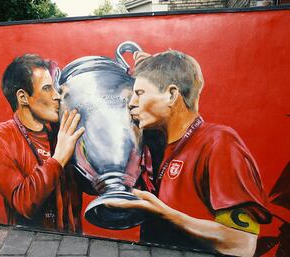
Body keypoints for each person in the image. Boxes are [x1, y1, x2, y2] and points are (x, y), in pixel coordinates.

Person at [107, 50, 272, 257]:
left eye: (139, 93)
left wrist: (165, 214)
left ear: (172, 94)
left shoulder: (219, 142)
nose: (132, 102)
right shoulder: (154, 146)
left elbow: (241, 243)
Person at [0, 54, 84, 232]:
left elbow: (91, 183)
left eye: (55, 88)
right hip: (31, 240)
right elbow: (24, 203)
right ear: (23, 98)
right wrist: (59, 158)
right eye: (47, 88)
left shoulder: (60, 131)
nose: (57, 96)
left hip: (74, 238)